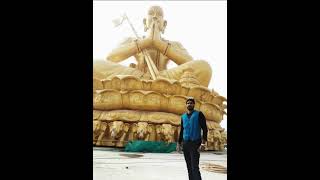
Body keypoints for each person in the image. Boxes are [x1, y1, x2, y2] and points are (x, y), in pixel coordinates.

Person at [94, 5, 212, 87]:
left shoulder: (173, 44)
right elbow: (111, 58)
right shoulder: (133, 40)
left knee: (204, 67)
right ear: (145, 22)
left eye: (159, 14)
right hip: (136, 77)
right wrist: (147, 41)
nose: (155, 16)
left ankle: (156, 86)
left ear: (164, 24)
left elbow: (189, 64)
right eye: (151, 13)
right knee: (95, 65)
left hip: (165, 78)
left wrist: (159, 44)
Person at [177, 97, 208, 180]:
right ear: (186, 105)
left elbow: (204, 128)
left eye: (191, 103)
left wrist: (203, 143)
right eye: (188, 103)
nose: (189, 104)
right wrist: (179, 143)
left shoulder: (199, 114)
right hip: (186, 143)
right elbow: (182, 130)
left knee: (195, 166)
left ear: (194, 104)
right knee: (189, 167)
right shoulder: (183, 117)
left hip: (195, 143)